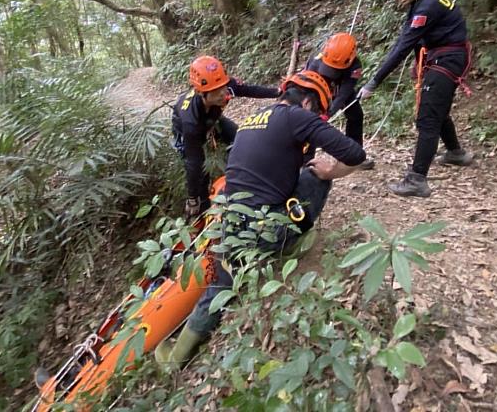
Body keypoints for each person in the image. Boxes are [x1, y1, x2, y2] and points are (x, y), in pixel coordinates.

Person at [156, 70, 366, 369]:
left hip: (232, 220)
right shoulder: (298, 116)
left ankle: (177, 357)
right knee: (316, 173)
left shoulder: (254, 119)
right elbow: (356, 154)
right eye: (319, 110)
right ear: (307, 103)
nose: (318, 115)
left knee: (222, 283)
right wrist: (332, 171)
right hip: (266, 228)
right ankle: (292, 242)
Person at [358, 0, 474, 198]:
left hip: (446, 61)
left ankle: (417, 179)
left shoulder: (427, 7)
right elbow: (408, 41)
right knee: (437, 110)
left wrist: (374, 82)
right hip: (445, 59)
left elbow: (402, 47)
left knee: (427, 119)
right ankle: (456, 153)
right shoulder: (423, 5)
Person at [172, 55, 280, 217]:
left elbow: (249, 90)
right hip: (189, 130)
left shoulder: (223, 86)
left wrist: (279, 92)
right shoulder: (190, 121)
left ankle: (249, 178)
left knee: (241, 139)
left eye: (223, 87)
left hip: (212, 119)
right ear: (201, 93)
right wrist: (192, 198)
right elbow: (193, 163)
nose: (224, 94)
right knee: (201, 173)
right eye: (216, 91)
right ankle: (202, 211)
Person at [306, 32, 375, 169]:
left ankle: (354, 155)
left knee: (355, 115)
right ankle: (306, 160)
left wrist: (330, 112)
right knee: (311, 120)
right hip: (318, 86)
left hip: (342, 86)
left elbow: (345, 92)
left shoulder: (355, 66)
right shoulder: (315, 62)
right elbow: (308, 86)